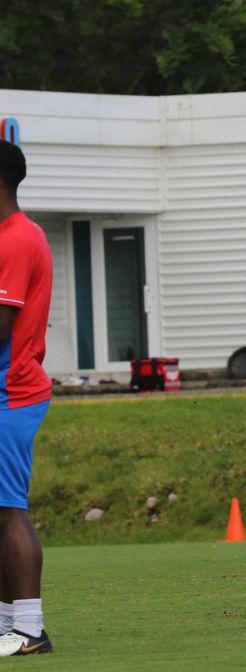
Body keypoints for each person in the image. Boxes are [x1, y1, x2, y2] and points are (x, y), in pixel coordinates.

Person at [0, 140, 54, 655]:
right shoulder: (12, 234)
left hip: (9, 392)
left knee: (9, 509)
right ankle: (6, 626)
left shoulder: (15, 239)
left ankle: (30, 629)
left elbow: (1, 322)